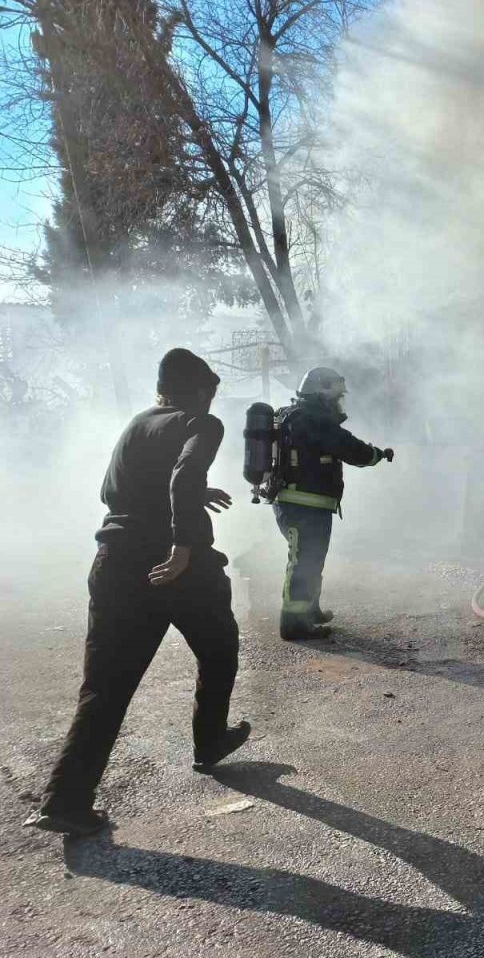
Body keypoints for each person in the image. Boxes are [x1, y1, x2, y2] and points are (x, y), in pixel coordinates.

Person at [24, 349, 250, 836]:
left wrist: (194, 496)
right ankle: (210, 741)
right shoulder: (201, 423)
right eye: (210, 393)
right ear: (201, 391)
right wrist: (183, 546)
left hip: (115, 564)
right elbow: (184, 474)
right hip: (178, 569)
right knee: (219, 649)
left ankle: (64, 801)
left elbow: (123, 490)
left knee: (105, 685)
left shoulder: (136, 425)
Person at [272, 367, 394, 641]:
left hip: (302, 503)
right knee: (304, 561)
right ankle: (293, 624)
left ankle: (309, 611)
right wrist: (377, 454)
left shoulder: (294, 415)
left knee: (312, 558)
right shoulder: (315, 421)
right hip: (305, 505)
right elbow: (352, 449)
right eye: (337, 396)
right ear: (322, 393)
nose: (339, 402)